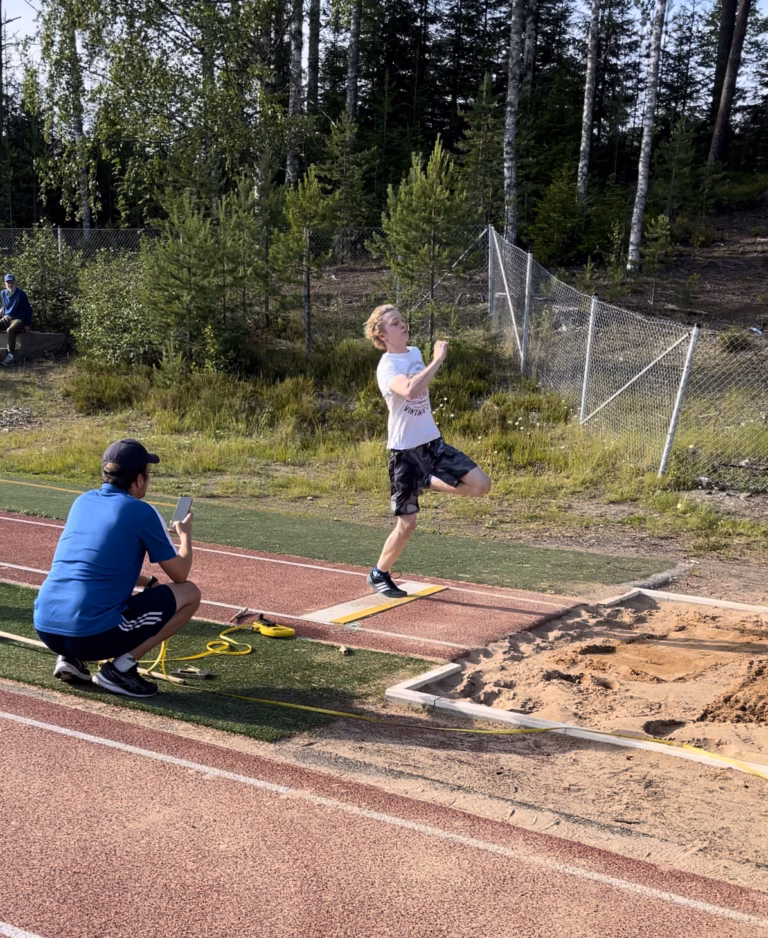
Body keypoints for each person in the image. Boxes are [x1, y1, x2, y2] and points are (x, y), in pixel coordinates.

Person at [33, 439, 201, 698]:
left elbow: (96, 564)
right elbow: (180, 574)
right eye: (148, 474)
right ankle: (121, 669)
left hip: (46, 628)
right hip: (90, 635)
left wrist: (148, 582)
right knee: (189, 594)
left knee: (83, 586)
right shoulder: (141, 511)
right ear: (138, 479)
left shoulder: (82, 502)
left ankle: (70, 659)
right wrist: (186, 535)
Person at [363, 304, 491, 599]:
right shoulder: (387, 367)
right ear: (381, 334)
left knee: (481, 485)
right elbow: (410, 390)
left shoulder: (415, 353)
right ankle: (379, 573)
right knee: (407, 525)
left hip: (432, 442)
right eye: (395, 323)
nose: (403, 325)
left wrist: (428, 359)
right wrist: (438, 359)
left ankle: (427, 481)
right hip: (405, 453)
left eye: (402, 321)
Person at [1, 273, 33, 366]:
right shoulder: (3, 293)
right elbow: (4, 306)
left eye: (11, 282)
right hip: (6, 317)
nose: (10, 284)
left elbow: (28, 309)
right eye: (8, 282)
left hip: (18, 319)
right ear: (5, 283)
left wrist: (28, 324)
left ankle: (10, 356)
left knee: (10, 330)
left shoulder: (21, 294)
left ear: (15, 283)